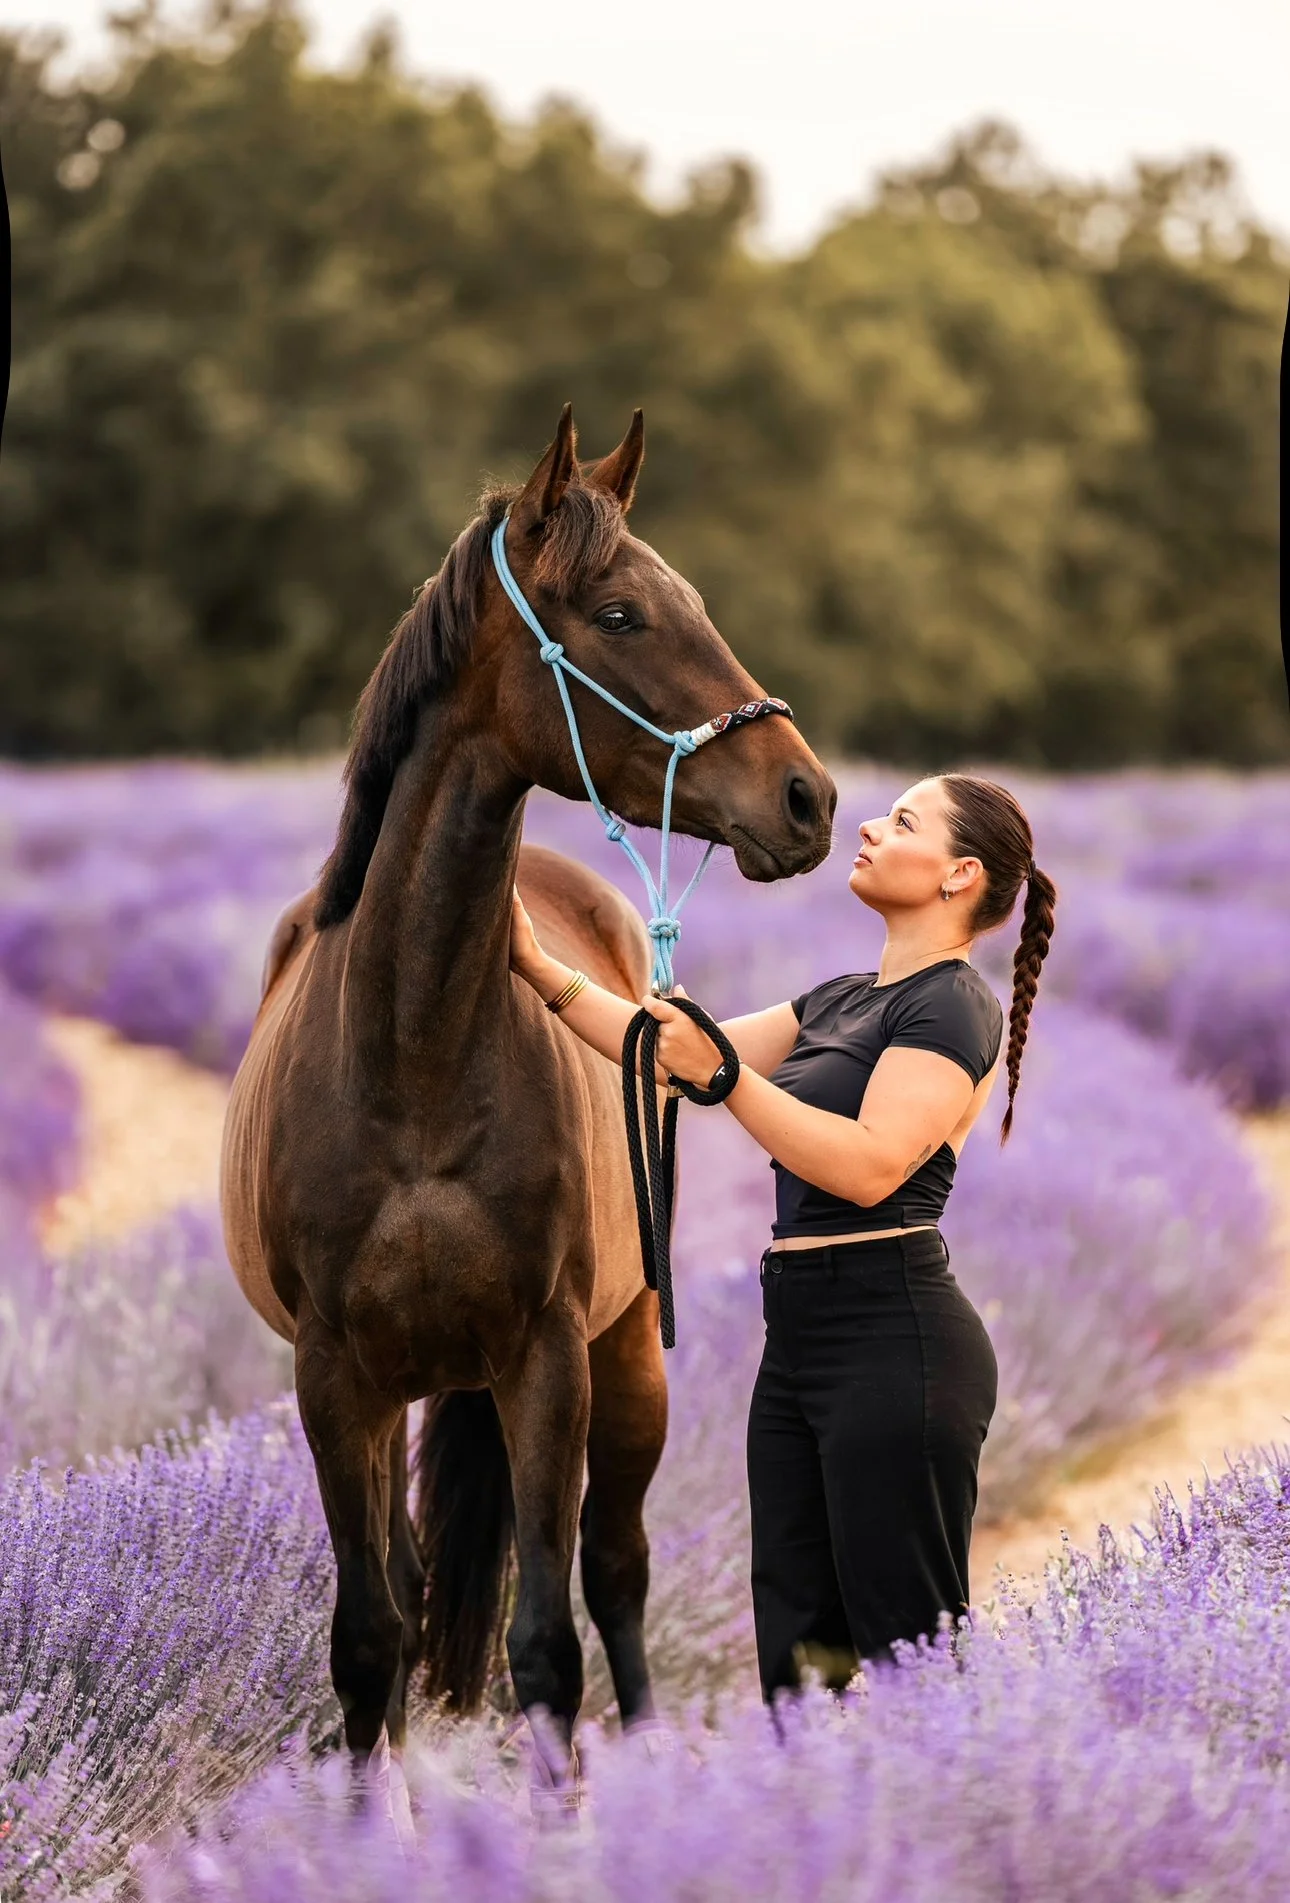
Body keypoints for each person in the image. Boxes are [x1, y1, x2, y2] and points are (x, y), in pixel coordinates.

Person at [509, 770, 1056, 1706]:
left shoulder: (954, 1004)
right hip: (800, 1344)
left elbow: (872, 1164)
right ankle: (823, 1840)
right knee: (799, 1662)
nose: (873, 827)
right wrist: (536, 965)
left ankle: (944, 1844)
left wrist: (726, 1078)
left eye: (904, 820)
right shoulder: (839, 998)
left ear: (960, 873)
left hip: (897, 1342)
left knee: (908, 1659)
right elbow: (670, 1057)